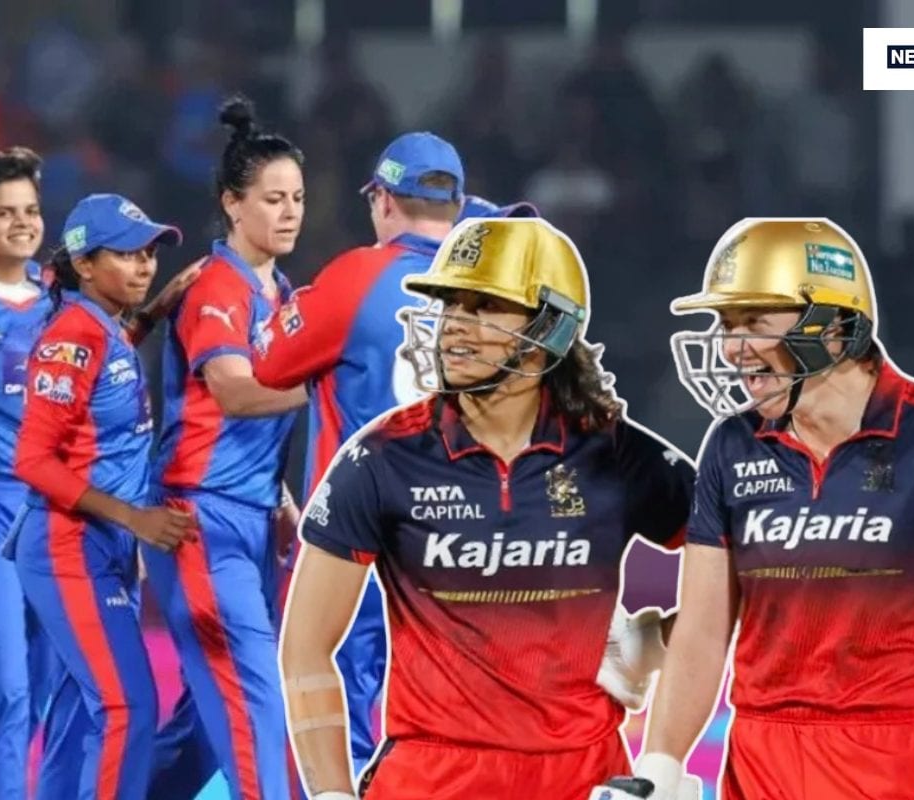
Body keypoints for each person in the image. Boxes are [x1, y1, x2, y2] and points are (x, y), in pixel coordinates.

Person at [280, 217, 697, 800]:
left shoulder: (618, 455)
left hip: (583, 779)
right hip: (430, 780)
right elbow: (305, 646)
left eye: (485, 307)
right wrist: (330, 795)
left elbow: (752, 573)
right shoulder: (382, 458)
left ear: (551, 326)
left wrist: (648, 645)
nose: (455, 324)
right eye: (451, 304)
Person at [613, 218, 914, 800]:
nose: (732, 348)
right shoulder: (731, 444)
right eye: (726, 325)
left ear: (832, 326)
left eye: (754, 321)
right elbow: (702, 629)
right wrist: (659, 765)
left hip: (898, 769)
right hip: (760, 768)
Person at [0, 148, 194, 800]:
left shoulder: (59, 298)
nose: (23, 223)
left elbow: (92, 375)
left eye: (30, 210)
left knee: (71, 695)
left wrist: (150, 315)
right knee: (7, 686)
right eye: (4, 212)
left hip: (64, 510)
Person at [252, 131, 466, 774]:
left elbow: (269, 363)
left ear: (383, 200)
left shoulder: (357, 277)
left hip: (362, 535)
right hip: (472, 531)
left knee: (338, 697)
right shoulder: (494, 291)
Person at [143, 96, 306, 800]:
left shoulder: (281, 290)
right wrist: (330, 384)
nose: (290, 213)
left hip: (251, 518)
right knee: (255, 695)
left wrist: (282, 498)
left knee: (205, 727)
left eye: (298, 198)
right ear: (232, 204)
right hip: (198, 520)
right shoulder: (218, 289)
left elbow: (249, 427)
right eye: (273, 199)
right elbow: (235, 393)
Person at [7, 194, 193, 800]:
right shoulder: (72, 336)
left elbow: (101, 380)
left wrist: (154, 313)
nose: (145, 266)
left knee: (76, 722)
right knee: (127, 707)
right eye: (127, 254)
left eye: (149, 254)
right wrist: (133, 517)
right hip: (70, 546)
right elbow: (32, 460)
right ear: (85, 264)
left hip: (100, 546)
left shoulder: (102, 327)